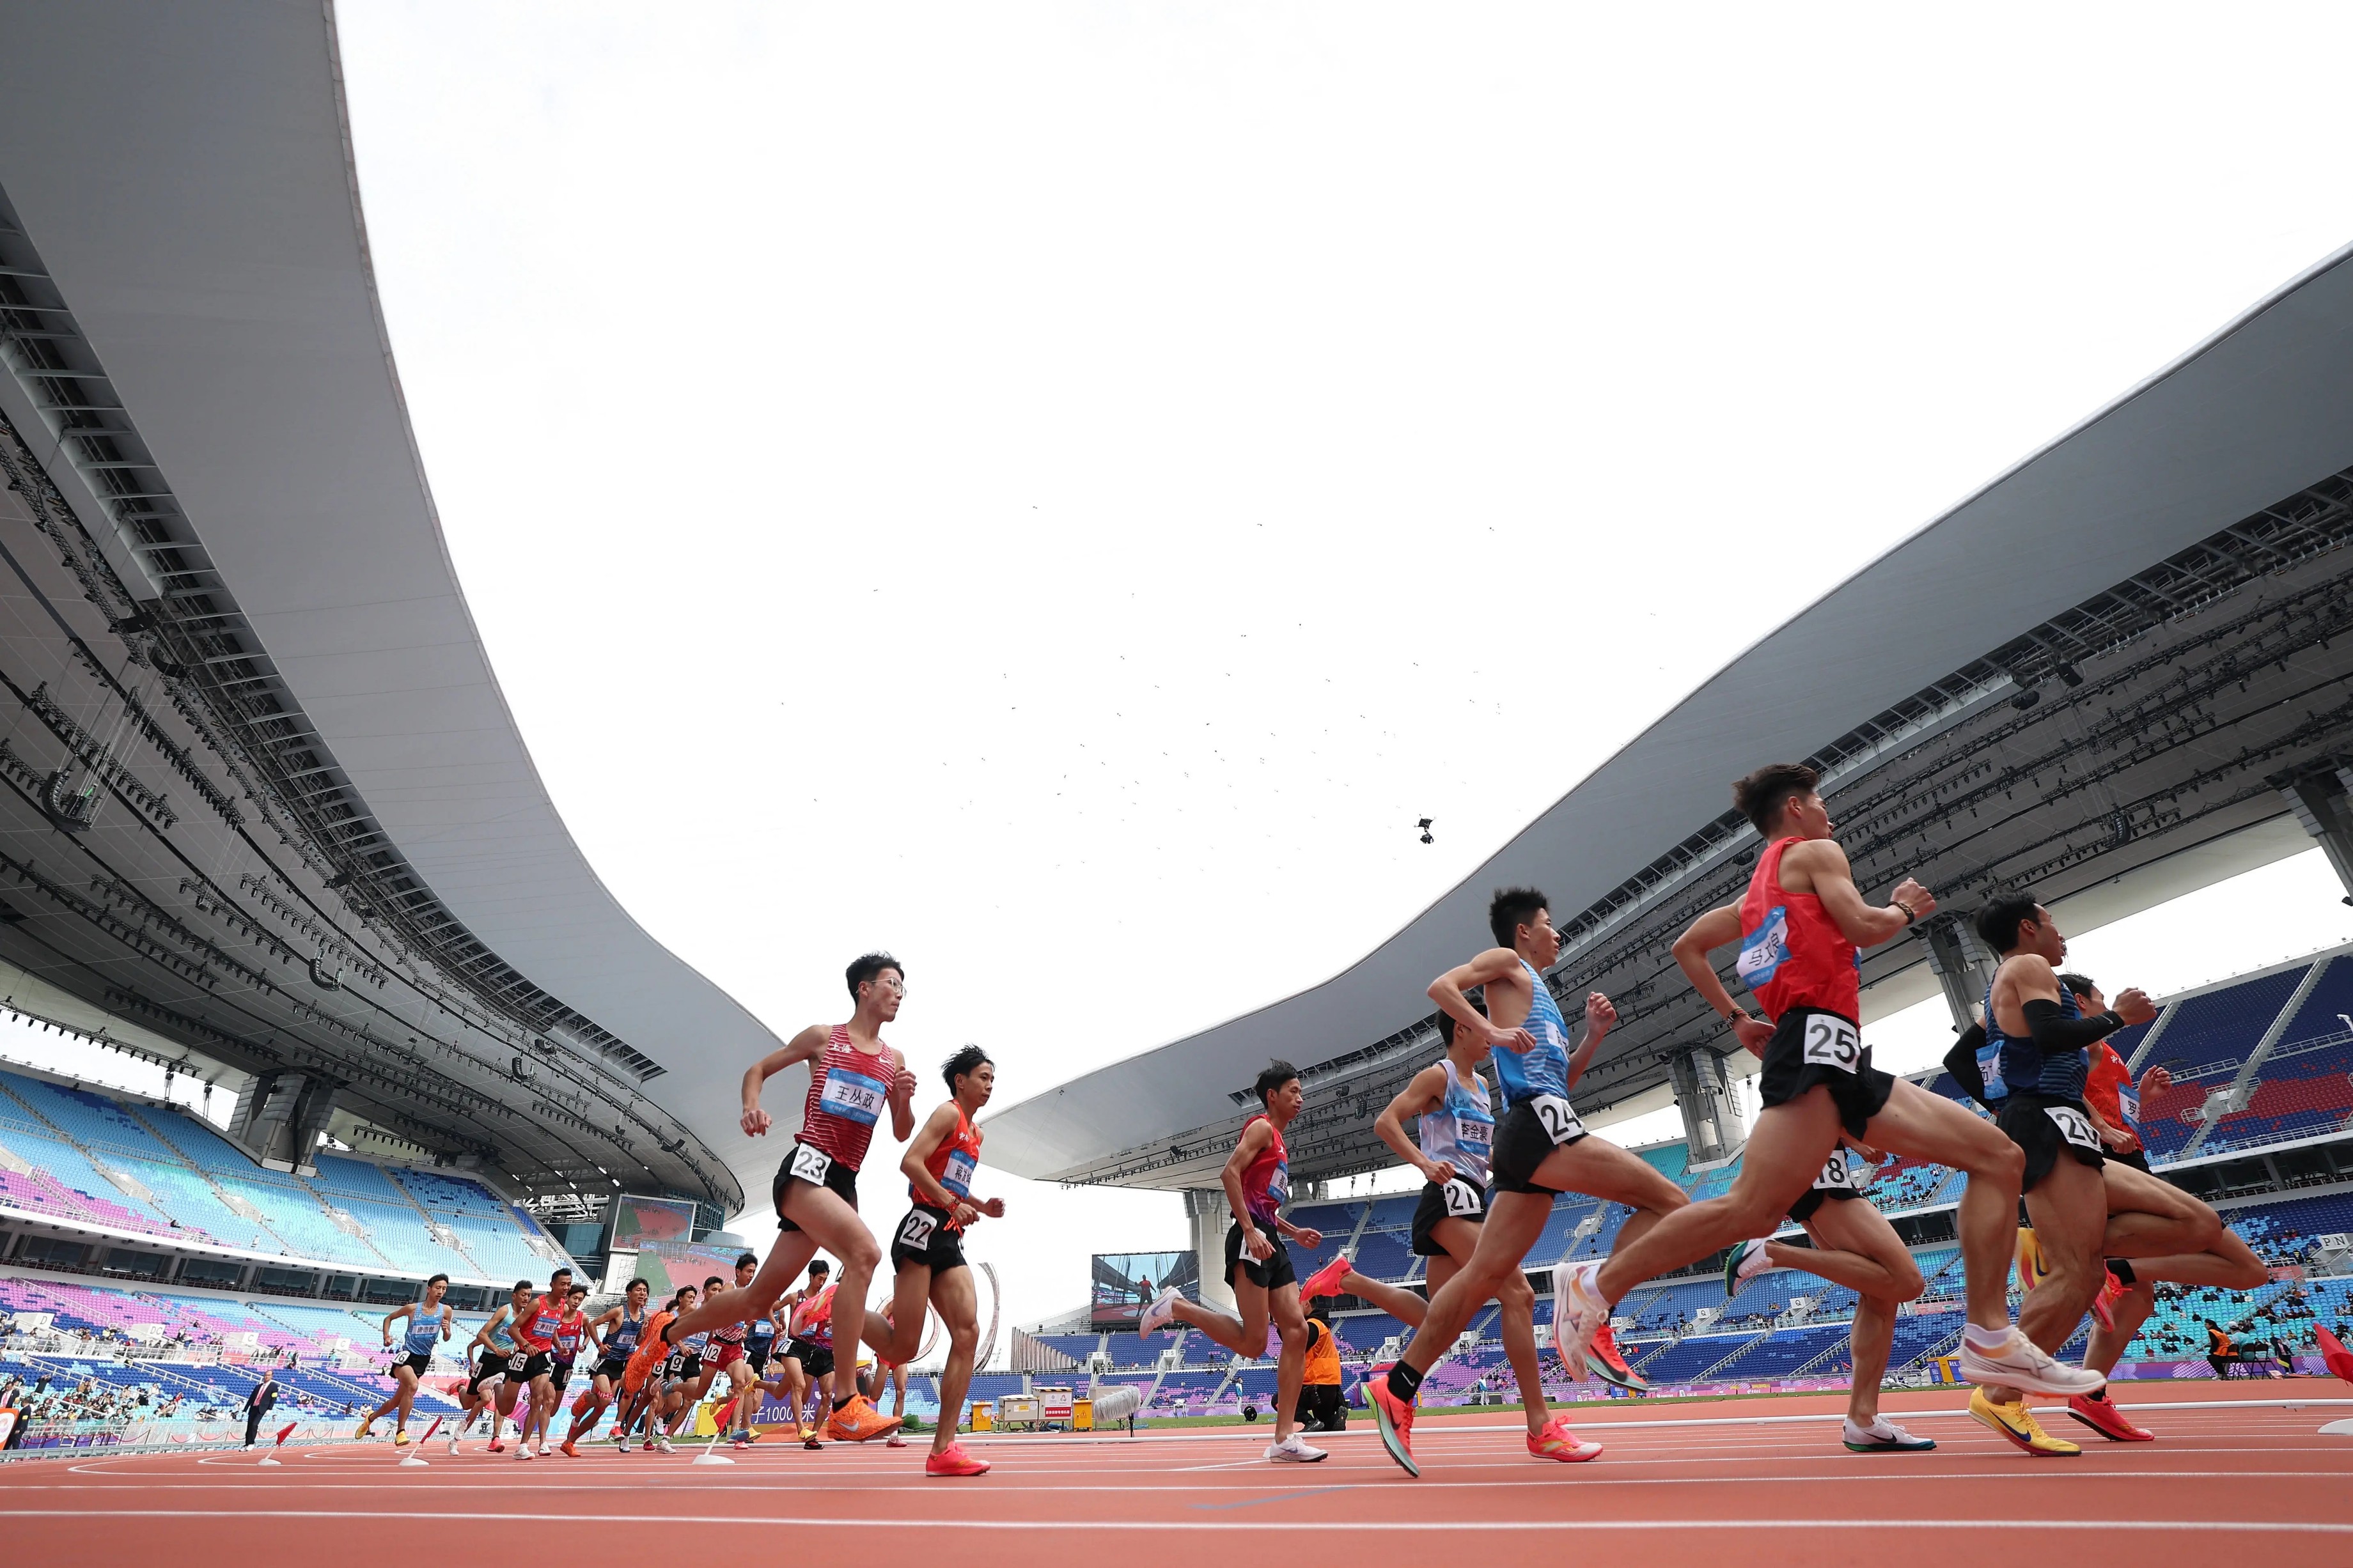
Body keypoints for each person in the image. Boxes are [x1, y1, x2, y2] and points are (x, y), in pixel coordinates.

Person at [1547, 765, 2101, 1450]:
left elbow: (1685, 945)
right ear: (1794, 807)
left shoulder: (1757, 893)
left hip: (1829, 1051)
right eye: (1821, 804)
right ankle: (1593, 1281)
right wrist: (1903, 907)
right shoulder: (1813, 853)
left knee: (1998, 1155)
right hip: (1812, 1046)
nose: (1829, 817)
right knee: (1748, 1208)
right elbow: (1866, 925)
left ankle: (1987, 1333)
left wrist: (1734, 1020)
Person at [1366, 887, 1677, 1476]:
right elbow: (1441, 987)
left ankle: (1400, 1386)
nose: (1557, 933)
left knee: (1491, 1280)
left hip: (1531, 1130)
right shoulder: (1507, 965)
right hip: (1537, 1129)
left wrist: (1592, 1037)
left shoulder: (1546, 1002)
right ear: (1524, 933)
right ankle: (1592, 1302)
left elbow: (1562, 1079)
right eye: (1549, 924)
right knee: (1670, 1201)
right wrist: (1495, 1031)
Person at [1967, 896, 2265, 1452]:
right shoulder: (2027, 967)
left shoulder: (2009, 987)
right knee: (2077, 1276)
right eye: (2052, 922)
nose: (2062, 935)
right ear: (2028, 928)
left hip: (2060, 1126)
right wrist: (2116, 1019)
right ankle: (1999, 1393)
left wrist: (2017, 1099)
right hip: (2047, 1126)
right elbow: (2051, 1038)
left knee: (2195, 1222)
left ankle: (2060, 1251)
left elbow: (1972, 1059)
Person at [1324, 998, 1602, 1461]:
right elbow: (1386, 1121)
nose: (1491, 1032)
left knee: (1441, 1320)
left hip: (1475, 1197)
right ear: (1461, 1028)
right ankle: (1540, 1426)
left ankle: (1349, 1283)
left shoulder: (1482, 1087)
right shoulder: (1441, 1076)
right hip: (1450, 1197)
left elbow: (1485, 1145)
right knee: (1518, 1293)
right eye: (1483, 1025)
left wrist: (1501, 1164)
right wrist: (1424, 1161)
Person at [654, 952, 919, 1418]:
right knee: (865, 1254)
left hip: (844, 1183)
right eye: (891, 983)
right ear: (864, 988)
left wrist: (900, 1098)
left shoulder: (894, 1060)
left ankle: (668, 1334)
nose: (899, 993)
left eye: (903, 987)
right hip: (808, 1168)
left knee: (758, 1298)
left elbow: (901, 1131)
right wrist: (750, 1106)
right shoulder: (825, 1038)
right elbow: (756, 1070)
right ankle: (844, 1401)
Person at [1140, 1060, 1329, 1464]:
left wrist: (1291, 1232)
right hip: (1249, 1241)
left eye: (1302, 1092)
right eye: (1294, 1091)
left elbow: (1261, 1201)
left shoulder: (1280, 1142)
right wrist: (1248, 1231)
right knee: (1255, 1343)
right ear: (1273, 1096)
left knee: (1296, 1329)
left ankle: (1284, 1438)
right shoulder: (1261, 1128)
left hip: (1270, 1239)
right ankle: (1178, 1306)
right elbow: (1229, 1174)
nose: (1301, 1098)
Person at [1721, 1142, 1937, 1453]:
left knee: (1880, 1295)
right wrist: (1857, 1142)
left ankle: (1863, 1422)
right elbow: (1819, 1094)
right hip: (1822, 1168)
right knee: (1906, 1283)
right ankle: (1773, 1252)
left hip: (1813, 1173)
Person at [863, 1043, 1001, 1474]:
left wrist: (979, 1202)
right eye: (983, 1076)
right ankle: (837, 1308)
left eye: (993, 1079)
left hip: (949, 1234)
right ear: (961, 1081)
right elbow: (911, 1162)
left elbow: (950, 1179)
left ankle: (943, 1448)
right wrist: (948, 1201)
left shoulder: (976, 1135)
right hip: (922, 1227)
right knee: (904, 1345)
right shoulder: (946, 1113)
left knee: (968, 1331)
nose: (990, 1085)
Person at [359, 1271, 451, 1445]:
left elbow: (447, 1338)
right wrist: (386, 1336)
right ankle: (401, 1431)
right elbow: (389, 1318)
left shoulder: (446, 1311)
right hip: (406, 1356)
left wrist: (446, 1330)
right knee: (413, 1386)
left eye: (444, 1289)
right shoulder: (413, 1309)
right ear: (429, 1289)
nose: (441, 1292)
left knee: (395, 1401)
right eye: (438, 1288)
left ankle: (371, 1417)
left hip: (423, 1360)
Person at [563, 1277, 650, 1455]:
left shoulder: (643, 1316)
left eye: (645, 1291)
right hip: (605, 1363)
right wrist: (599, 1345)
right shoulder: (619, 1312)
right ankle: (587, 1398)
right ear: (629, 1293)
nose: (642, 1294)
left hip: (621, 1364)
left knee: (602, 1409)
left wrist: (644, 1333)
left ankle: (570, 1442)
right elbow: (593, 1324)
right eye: (639, 1290)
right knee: (606, 1399)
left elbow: (638, 1341)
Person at [450, 1279, 536, 1454]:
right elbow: (482, 1334)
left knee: (501, 1396)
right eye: (523, 1295)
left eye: (529, 1295)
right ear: (514, 1296)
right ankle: (460, 1387)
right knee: (467, 1403)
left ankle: (496, 1437)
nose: (526, 1298)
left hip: (506, 1362)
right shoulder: (505, 1311)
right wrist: (495, 1350)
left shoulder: (527, 1316)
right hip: (488, 1360)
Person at [772, 1261, 839, 1447]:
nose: (821, 1283)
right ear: (811, 1276)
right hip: (793, 1346)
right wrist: (775, 1324)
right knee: (799, 1386)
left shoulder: (823, 1303)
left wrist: (831, 1323)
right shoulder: (795, 1297)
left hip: (810, 1351)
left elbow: (823, 1329)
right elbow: (771, 1308)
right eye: (819, 1279)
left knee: (780, 1391)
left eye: (825, 1280)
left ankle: (757, 1383)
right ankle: (802, 1429)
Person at [537, 1284, 595, 1455]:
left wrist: (584, 1344)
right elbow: (550, 1329)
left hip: (567, 1367)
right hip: (551, 1362)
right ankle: (543, 1442)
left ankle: (537, 1412)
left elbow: (588, 1333)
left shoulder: (582, 1318)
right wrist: (559, 1345)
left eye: (580, 1300)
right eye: (574, 1298)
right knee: (548, 1402)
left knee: (553, 1410)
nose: (577, 1302)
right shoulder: (558, 1314)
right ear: (567, 1298)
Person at [1294, 1306, 1345, 1433]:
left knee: (1279, 1401)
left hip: (1316, 1382)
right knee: (1324, 1425)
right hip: (1331, 1382)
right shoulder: (1323, 1325)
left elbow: (1298, 1346)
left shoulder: (1313, 1325)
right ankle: (1334, 1420)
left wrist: (1282, 1329)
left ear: (1307, 1304)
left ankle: (1309, 1421)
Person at [241, 1366, 278, 1450]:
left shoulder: (274, 1386)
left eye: (269, 1375)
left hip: (262, 1408)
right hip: (253, 1407)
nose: (267, 1377)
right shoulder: (258, 1386)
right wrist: (245, 1409)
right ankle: (247, 1444)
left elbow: (274, 1398)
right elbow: (251, 1398)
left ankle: (251, 1443)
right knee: (249, 1426)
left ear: (272, 1376)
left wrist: (270, 1409)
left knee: (254, 1425)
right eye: (266, 1375)